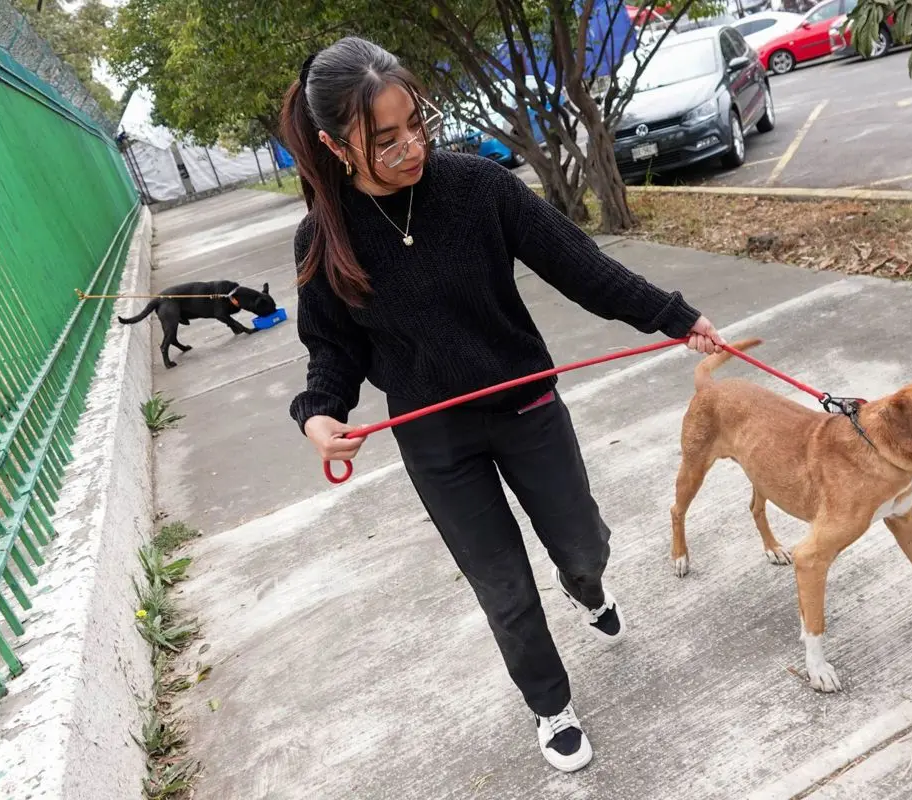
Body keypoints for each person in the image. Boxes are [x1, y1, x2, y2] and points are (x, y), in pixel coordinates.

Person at [281, 36, 726, 774]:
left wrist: (675, 316)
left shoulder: (478, 187)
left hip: (527, 409)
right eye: (384, 141)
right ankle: (550, 707)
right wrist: (318, 413)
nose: (410, 147)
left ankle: (583, 584)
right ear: (335, 145)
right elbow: (332, 350)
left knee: (585, 546)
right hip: (435, 440)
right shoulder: (323, 238)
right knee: (502, 585)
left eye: (414, 125)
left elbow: (580, 266)